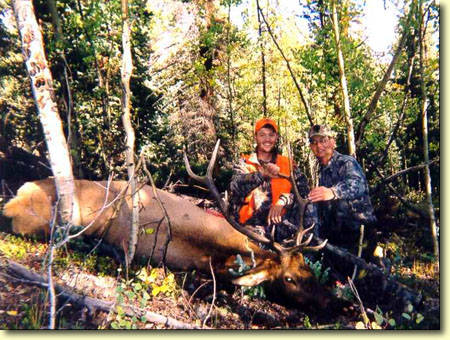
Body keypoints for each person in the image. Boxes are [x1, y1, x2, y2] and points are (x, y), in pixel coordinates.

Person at [229, 118, 316, 244]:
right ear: (256, 137)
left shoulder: (288, 164)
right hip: (249, 228)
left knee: (311, 207)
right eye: (262, 135)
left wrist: (284, 200)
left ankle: (310, 257)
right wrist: (261, 174)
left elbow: (305, 194)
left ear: (276, 137)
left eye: (271, 135)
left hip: (281, 227)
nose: (267, 139)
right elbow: (234, 187)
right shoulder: (244, 163)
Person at [307, 124, 377, 278]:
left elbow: (357, 184)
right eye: (314, 142)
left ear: (333, 142)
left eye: (323, 140)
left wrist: (333, 192)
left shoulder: (346, 162)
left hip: (359, 231)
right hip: (338, 235)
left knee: (355, 282)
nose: (319, 146)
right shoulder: (322, 170)